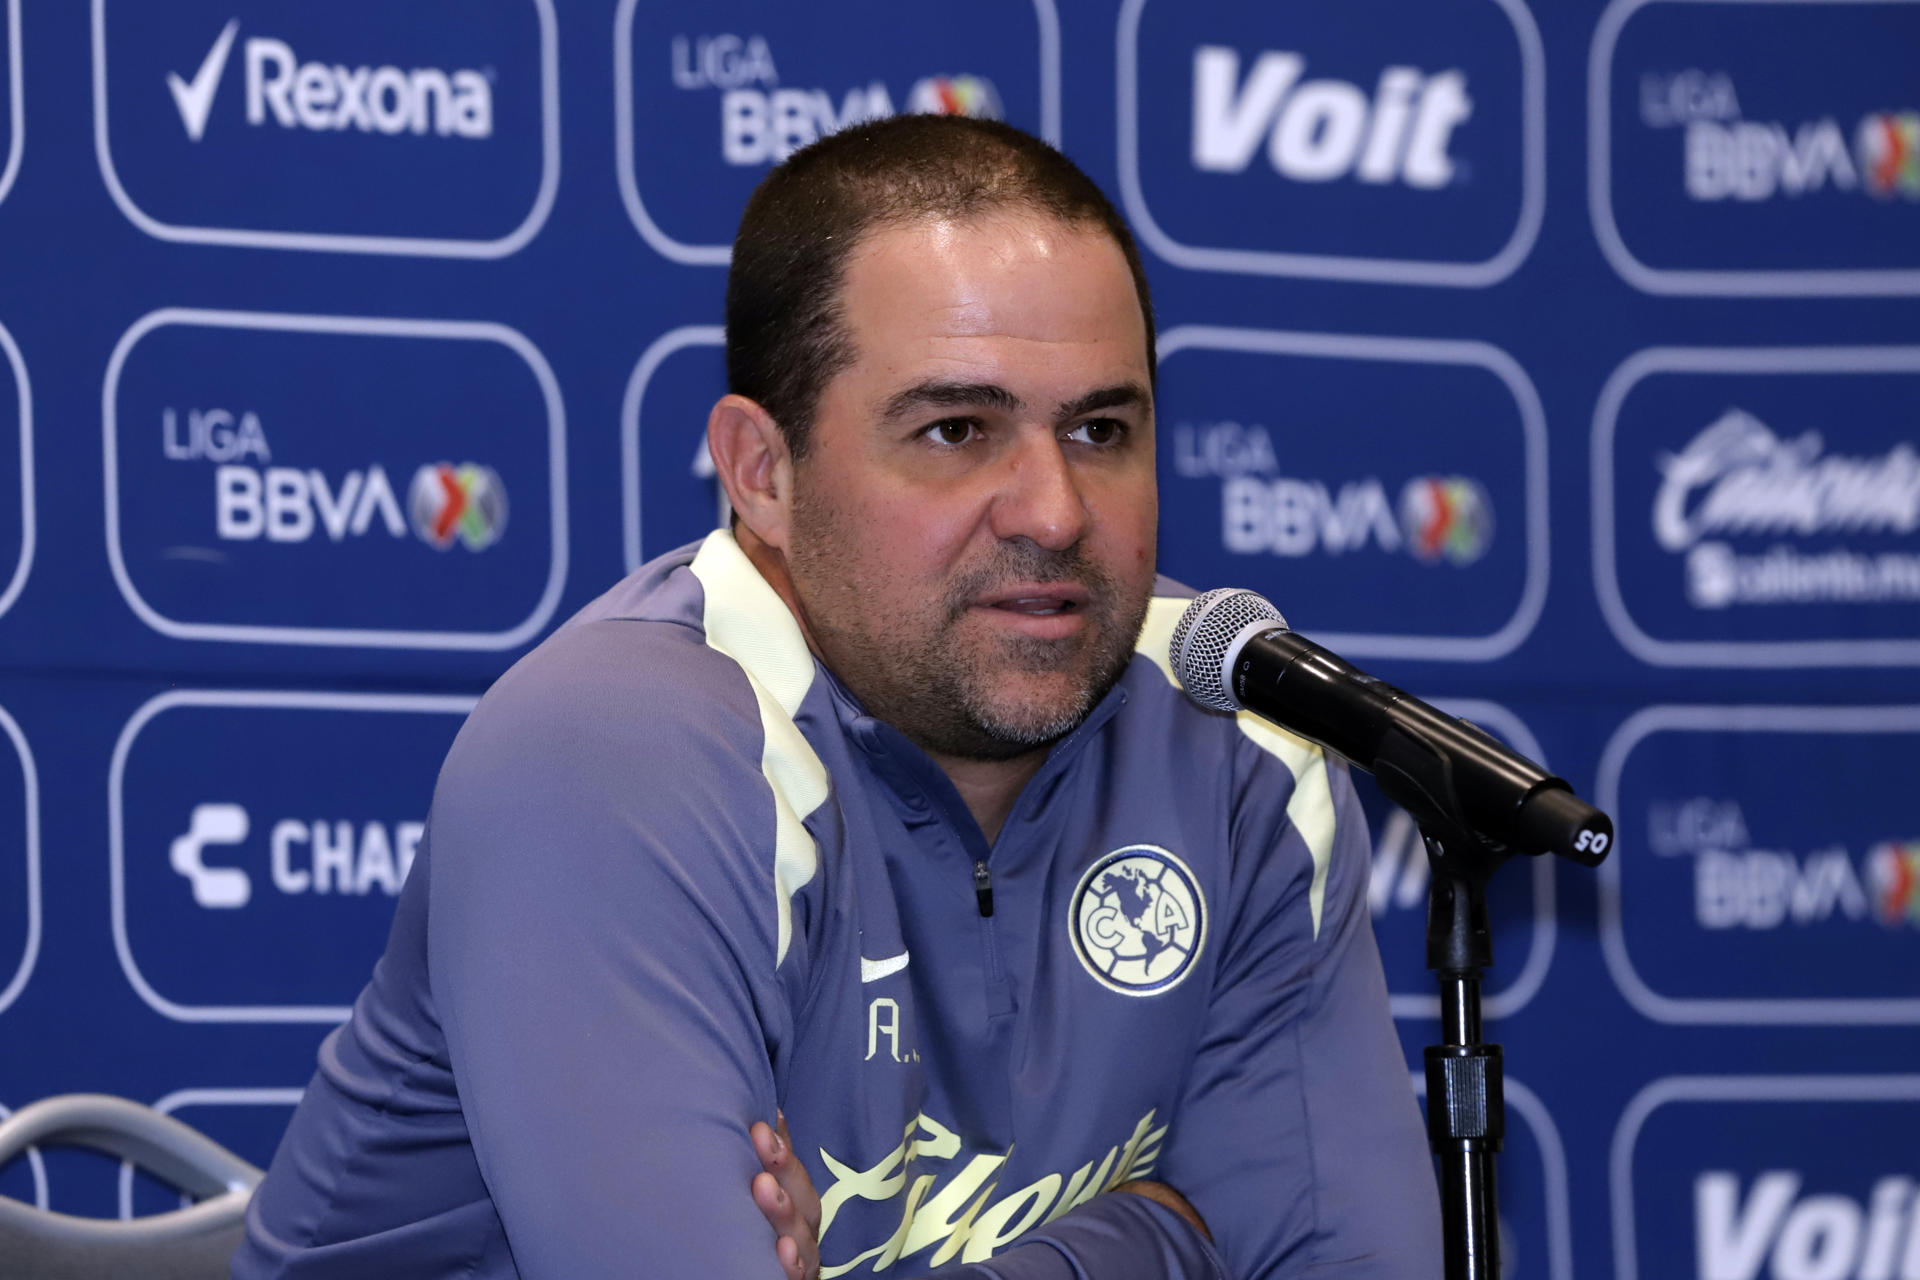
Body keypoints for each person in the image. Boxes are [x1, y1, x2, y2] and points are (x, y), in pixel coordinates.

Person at [233, 115, 1441, 1279]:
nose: (1054, 511)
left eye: (1101, 428)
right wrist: (1160, 1237)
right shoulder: (613, 749)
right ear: (763, 473)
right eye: (957, 428)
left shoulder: (1237, 737)